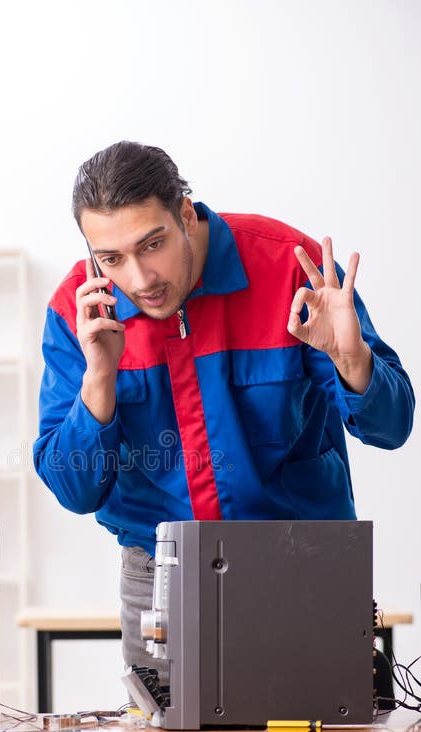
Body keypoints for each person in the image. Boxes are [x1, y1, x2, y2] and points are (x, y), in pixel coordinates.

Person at [33, 141, 415, 678]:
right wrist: (99, 379)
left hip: (304, 559)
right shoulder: (78, 313)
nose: (141, 279)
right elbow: (74, 491)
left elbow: (393, 428)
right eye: (112, 259)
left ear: (185, 213)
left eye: (153, 244)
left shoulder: (289, 267)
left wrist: (352, 360)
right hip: (160, 579)